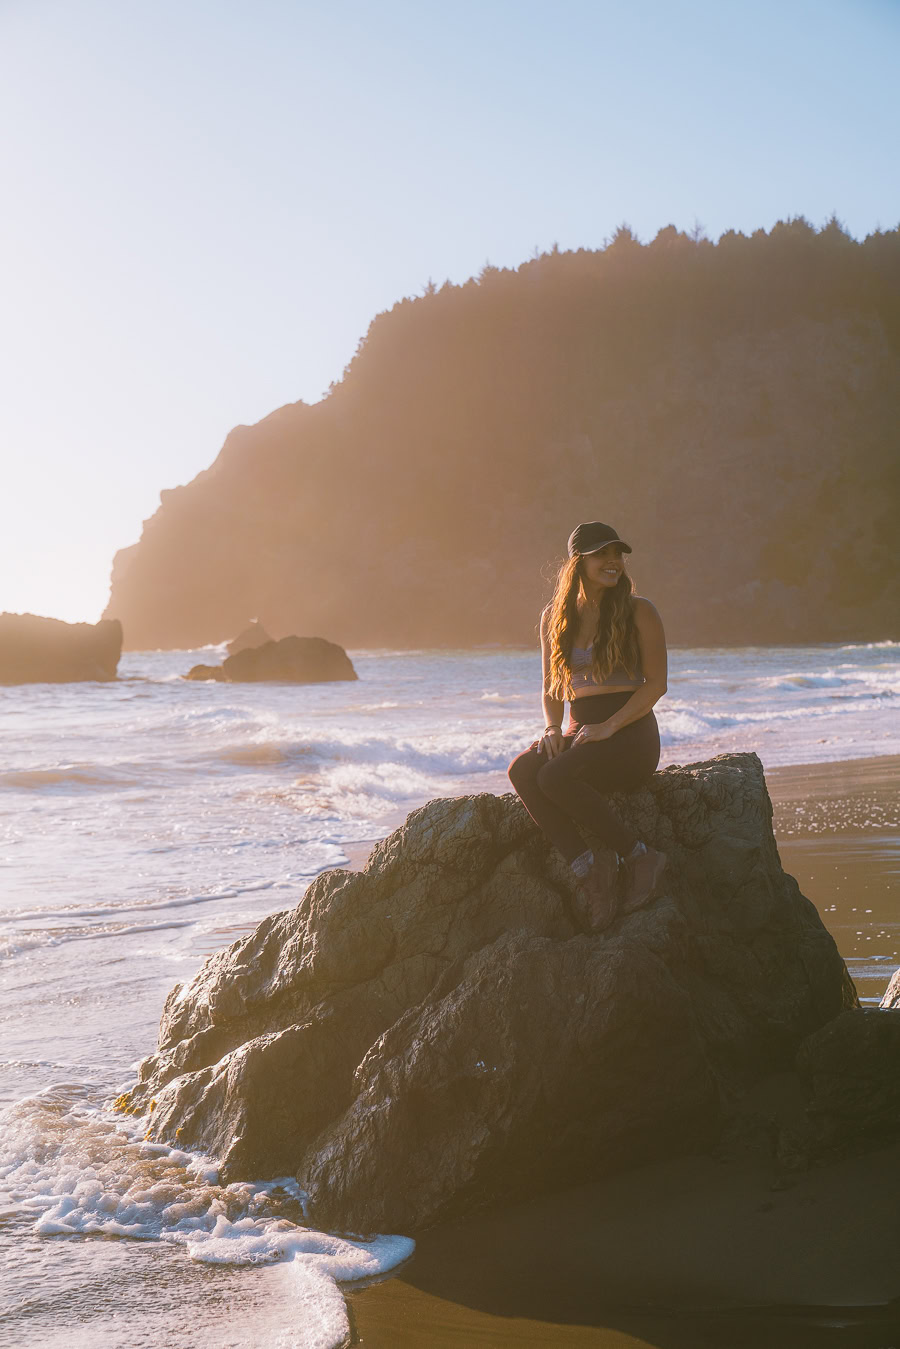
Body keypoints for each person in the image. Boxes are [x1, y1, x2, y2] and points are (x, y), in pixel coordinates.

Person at [508, 521, 668, 931]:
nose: (613, 562)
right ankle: (590, 869)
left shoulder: (639, 610)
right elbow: (550, 689)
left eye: (617, 554)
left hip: (630, 733)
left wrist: (610, 726)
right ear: (579, 562)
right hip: (583, 731)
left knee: (556, 776)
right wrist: (551, 730)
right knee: (524, 770)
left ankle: (638, 855)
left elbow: (657, 685)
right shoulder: (554, 617)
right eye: (602, 554)